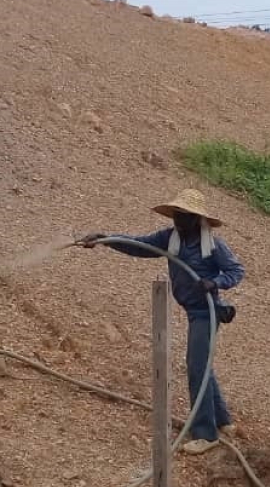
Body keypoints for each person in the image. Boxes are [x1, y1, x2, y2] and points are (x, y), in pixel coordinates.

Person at [79, 189, 244, 454]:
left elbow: (236, 271)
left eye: (186, 216)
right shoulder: (170, 239)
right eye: (178, 215)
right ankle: (223, 421)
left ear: (198, 219)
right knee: (201, 364)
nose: (180, 220)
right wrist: (105, 239)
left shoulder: (212, 244)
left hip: (208, 311)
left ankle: (206, 433)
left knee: (196, 366)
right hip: (192, 309)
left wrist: (215, 282)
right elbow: (138, 245)